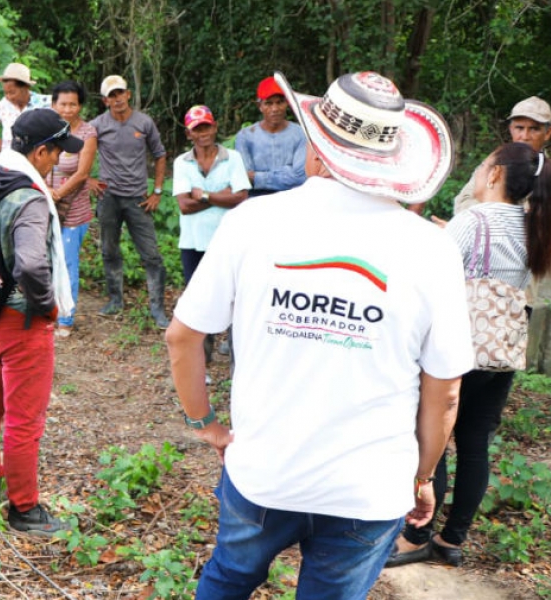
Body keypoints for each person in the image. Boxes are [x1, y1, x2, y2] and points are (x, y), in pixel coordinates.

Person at [166, 71, 473, 599]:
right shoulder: (432, 248)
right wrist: (420, 477)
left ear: (315, 147)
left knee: (230, 578)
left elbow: (182, 338)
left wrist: (207, 425)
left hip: (264, 470)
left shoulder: (253, 222)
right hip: (369, 488)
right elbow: (444, 392)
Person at [385, 141, 551, 569]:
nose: (478, 174)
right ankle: (452, 539)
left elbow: (428, 274)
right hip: (500, 350)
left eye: (482, 166)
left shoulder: (473, 220)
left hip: (459, 348)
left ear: (496, 174)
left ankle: (416, 535)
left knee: (436, 439)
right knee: (476, 443)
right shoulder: (533, 224)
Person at [0, 108, 79, 535]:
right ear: (40, 150)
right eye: (55, 153)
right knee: (23, 420)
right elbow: (32, 265)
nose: (57, 162)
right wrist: (48, 306)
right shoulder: (29, 197)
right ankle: (24, 509)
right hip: (22, 322)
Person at [172, 105, 250, 371]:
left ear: (214, 127)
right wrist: (221, 196)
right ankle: (202, 360)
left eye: (206, 126)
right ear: (189, 133)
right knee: (198, 301)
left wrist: (203, 195)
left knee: (235, 297)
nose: (203, 133)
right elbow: (183, 205)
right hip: (193, 243)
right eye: (197, 129)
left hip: (227, 241)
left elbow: (240, 198)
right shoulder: (182, 162)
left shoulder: (233, 158)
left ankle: (235, 358)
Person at [89, 75, 169, 328]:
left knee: (152, 254)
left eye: (120, 93)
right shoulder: (98, 125)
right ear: (105, 100)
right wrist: (87, 179)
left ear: (129, 94)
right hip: (108, 196)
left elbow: (160, 154)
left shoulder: (143, 122)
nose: (117, 99)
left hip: (137, 197)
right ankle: (115, 300)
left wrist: (157, 191)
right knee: (109, 250)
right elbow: (77, 149)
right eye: (112, 95)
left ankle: (157, 308)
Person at [438, 96, 551, 216]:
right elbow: (461, 203)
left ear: (548, 133)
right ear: (511, 129)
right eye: (519, 128)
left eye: (534, 129)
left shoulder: (547, 174)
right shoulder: (495, 161)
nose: (525, 136)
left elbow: (527, 220)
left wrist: (484, 206)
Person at [45, 80, 97, 337]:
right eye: (62, 104)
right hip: (47, 207)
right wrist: (45, 194)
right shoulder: (48, 128)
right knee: (46, 262)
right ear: (54, 104)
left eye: (72, 104)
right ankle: (48, 311)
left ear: (80, 105)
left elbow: (82, 173)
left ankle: (66, 318)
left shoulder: (87, 133)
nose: (67, 109)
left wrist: (57, 194)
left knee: (67, 263)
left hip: (73, 211)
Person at [234, 76, 307, 198]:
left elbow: (300, 178)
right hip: (256, 202)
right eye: (268, 103)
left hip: (292, 201)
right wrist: (287, 171)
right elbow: (245, 179)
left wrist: (257, 177)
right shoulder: (245, 136)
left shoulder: (300, 134)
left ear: (287, 103)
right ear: (259, 106)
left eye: (280, 102)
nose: (275, 109)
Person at [0, 63, 50, 154]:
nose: (9, 97)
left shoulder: (43, 103)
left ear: (26, 87)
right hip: (8, 158)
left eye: (12, 93)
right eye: (6, 93)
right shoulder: (4, 104)